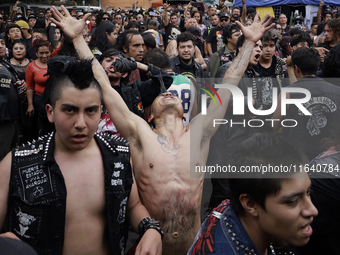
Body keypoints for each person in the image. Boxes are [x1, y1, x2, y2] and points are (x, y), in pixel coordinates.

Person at [53, 5, 274, 255]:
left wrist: (249, 44)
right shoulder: (139, 133)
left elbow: (228, 84)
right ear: (150, 114)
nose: (168, 93)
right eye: (162, 94)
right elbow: (104, 84)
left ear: (184, 111)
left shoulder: (199, 131)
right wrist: (77, 38)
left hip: (195, 248)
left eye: (174, 94)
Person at [0, 56, 163, 255]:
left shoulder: (118, 155)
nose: (81, 123)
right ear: (50, 112)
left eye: (91, 111)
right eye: (70, 110)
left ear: (101, 111)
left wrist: (150, 229)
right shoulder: (17, 163)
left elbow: (132, 205)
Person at [188, 132, 318, 255]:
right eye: (292, 201)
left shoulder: (234, 211)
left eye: (308, 192)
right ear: (250, 204)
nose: (313, 210)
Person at [272, 47, 340, 161]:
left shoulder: (287, 93)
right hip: (329, 158)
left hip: (297, 157)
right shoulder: (337, 91)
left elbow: (275, 124)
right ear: (317, 67)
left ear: (296, 69)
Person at [97, 48, 173, 135]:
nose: (113, 63)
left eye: (119, 61)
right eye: (109, 60)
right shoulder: (90, 90)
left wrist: (136, 64)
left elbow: (166, 80)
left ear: (124, 73)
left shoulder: (135, 89)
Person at [0, 35, 21, 161]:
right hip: (2, 121)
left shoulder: (6, 65)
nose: (0, 46)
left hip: (13, 118)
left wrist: (20, 85)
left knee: (11, 157)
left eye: (2, 43)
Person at [25, 38, 51, 139]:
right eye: (41, 53)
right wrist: (30, 105)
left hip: (53, 99)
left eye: (47, 52)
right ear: (36, 53)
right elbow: (30, 87)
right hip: (39, 100)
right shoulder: (31, 66)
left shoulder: (55, 63)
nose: (44, 56)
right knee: (42, 127)